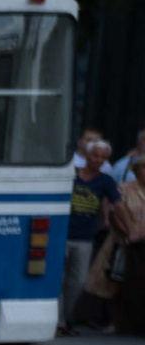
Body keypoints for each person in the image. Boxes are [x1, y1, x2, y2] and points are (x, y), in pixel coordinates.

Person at [66, 129, 114, 333]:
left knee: (78, 282)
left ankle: (67, 319)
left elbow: (115, 205)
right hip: (63, 235)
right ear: (86, 154)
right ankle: (58, 321)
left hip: (85, 238)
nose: (99, 160)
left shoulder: (106, 181)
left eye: (103, 158)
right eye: (96, 155)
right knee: (58, 279)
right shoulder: (71, 175)